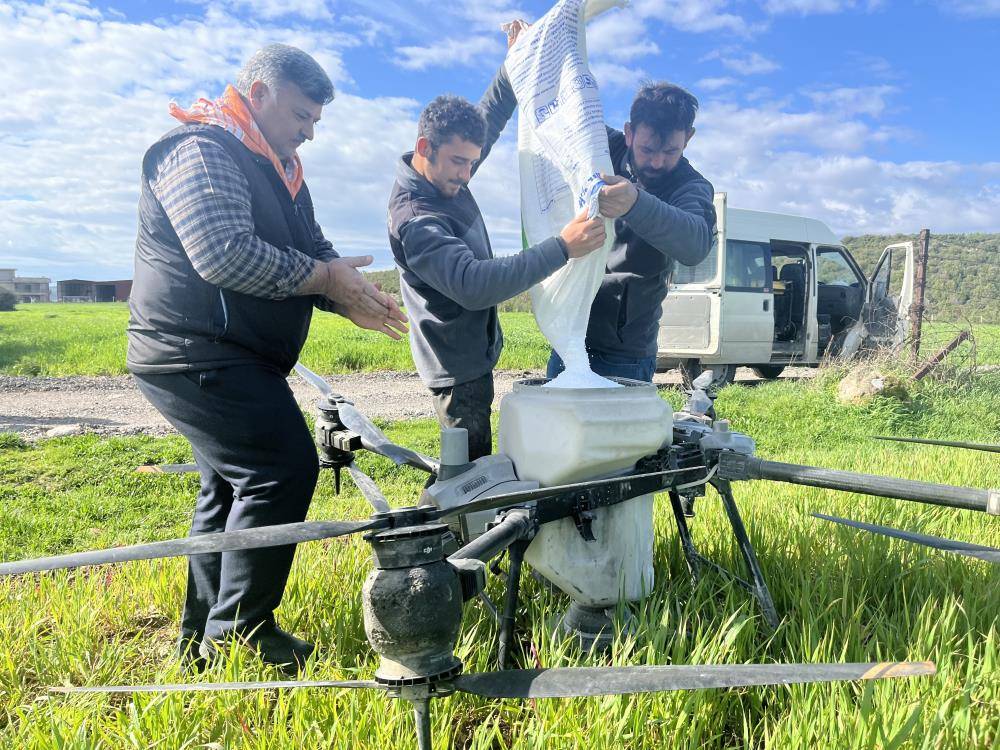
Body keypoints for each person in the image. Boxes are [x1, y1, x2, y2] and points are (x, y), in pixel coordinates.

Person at [127, 44, 407, 672]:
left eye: (315, 122)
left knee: (228, 489)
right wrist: (326, 280)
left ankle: (202, 634)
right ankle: (239, 633)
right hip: (196, 350)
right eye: (300, 114)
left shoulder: (275, 164)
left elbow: (311, 250)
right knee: (280, 469)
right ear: (258, 94)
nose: (308, 132)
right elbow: (224, 254)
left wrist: (350, 292)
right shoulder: (202, 149)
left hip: (224, 351)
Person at [388, 23, 605, 460]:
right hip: (456, 371)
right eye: (458, 163)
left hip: (471, 355)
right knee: (469, 475)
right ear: (424, 146)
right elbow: (475, 285)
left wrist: (516, 64)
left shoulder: (445, 173)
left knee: (472, 465)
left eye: (472, 162)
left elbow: (490, 115)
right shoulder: (417, 218)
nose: (467, 174)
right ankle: (456, 528)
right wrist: (563, 246)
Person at [546, 82, 717, 383]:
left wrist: (635, 204)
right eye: (647, 149)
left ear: (688, 139)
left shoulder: (690, 187)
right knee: (557, 429)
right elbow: (560, 109)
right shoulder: (603, 146)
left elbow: (696, 244)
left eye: (670, 151)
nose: (657, 161)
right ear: (628, 133)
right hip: (567, 338)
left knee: (618, 432)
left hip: (625, 355)